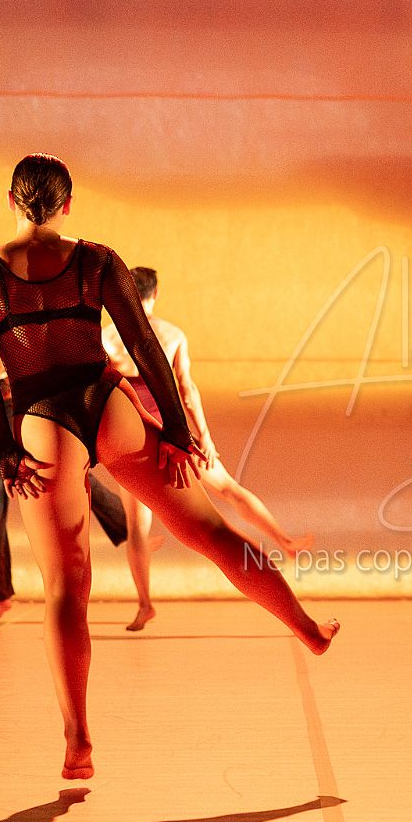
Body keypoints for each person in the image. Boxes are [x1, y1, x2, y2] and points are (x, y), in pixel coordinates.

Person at [0, 153, 338, 779]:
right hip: (106, 404)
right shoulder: (97, 261)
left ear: (11, 201)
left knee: (66, 585)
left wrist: (7, 452)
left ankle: (78, 742)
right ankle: (307, 626)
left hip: (42, 419)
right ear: (68, 204)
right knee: (210, 532)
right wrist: (178, 432)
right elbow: (144, 347)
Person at [100, 266, 313, 632]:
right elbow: (187, 390)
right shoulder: (171, 335)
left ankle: (145, 604)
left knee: (137, 527)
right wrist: (205, 437)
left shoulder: (108, 337)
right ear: (155, 294)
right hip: (176, 433)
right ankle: (284, 540)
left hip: (137, 437)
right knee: (229, 490)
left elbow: (108, 392)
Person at [0, 319, 131, 621]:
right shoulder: (0, 314)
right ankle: (130, 531)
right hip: (14, 406)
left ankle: (0, 597)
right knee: (62, 476)